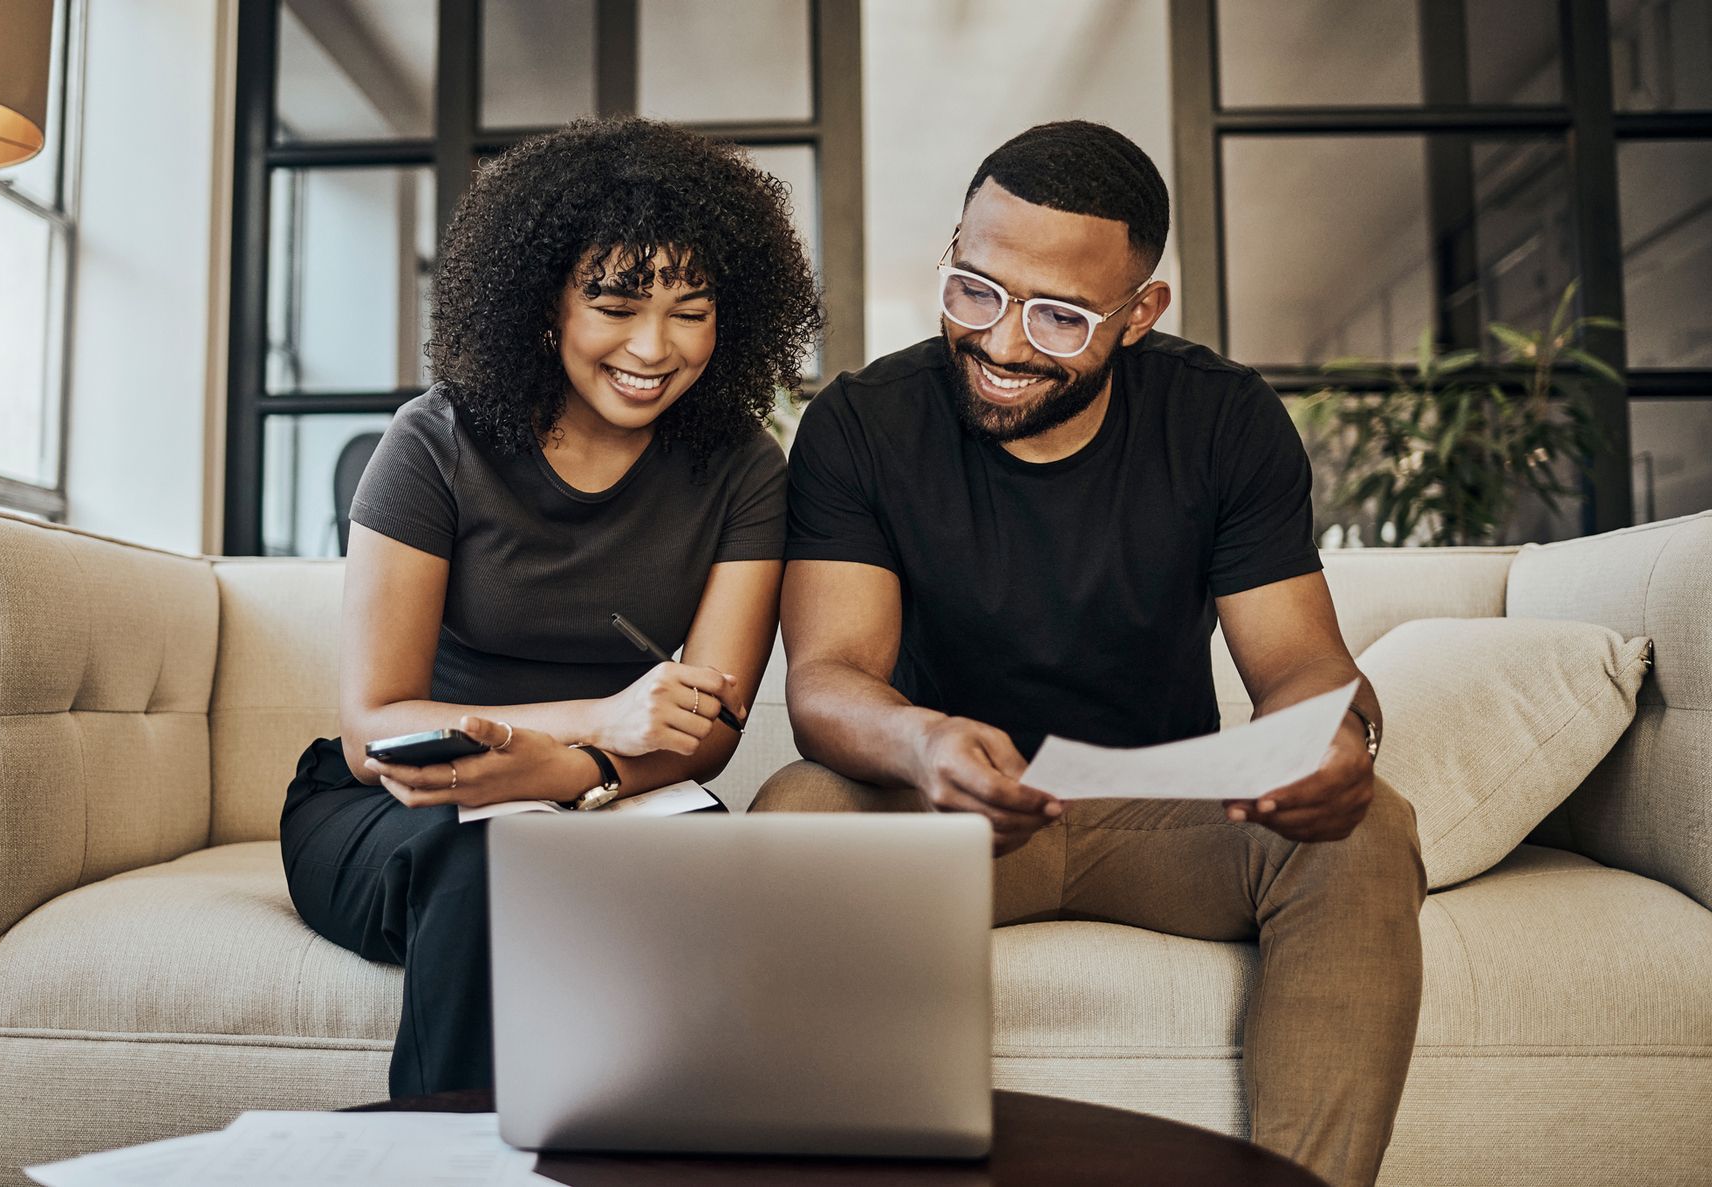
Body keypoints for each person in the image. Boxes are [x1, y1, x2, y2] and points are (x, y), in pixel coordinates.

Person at [753, 120, 1423, 1187]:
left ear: (1140, 311)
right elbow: (827, 677)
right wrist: (922, 742)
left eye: (1061, 317)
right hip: (946, 814)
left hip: (1166, 816)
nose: (1006, 344)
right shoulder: (863, 425)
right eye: (975, 289)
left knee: (1366, 827)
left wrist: (1337, 734)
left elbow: (1300, 660)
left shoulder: (1223, 420)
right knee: (797, 808)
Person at [281, 116, 822, 1097]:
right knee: (502, 863)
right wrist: (597, 721)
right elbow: (375, 729)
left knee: (717, 896)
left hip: (623, 794)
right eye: (615, 304)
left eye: (691, 310)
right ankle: (446, 1164)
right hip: (405, 803)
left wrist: (577, 769)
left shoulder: (743, 465)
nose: (655, 347)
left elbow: (706, 730)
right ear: (545, 305)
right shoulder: (433, 443)